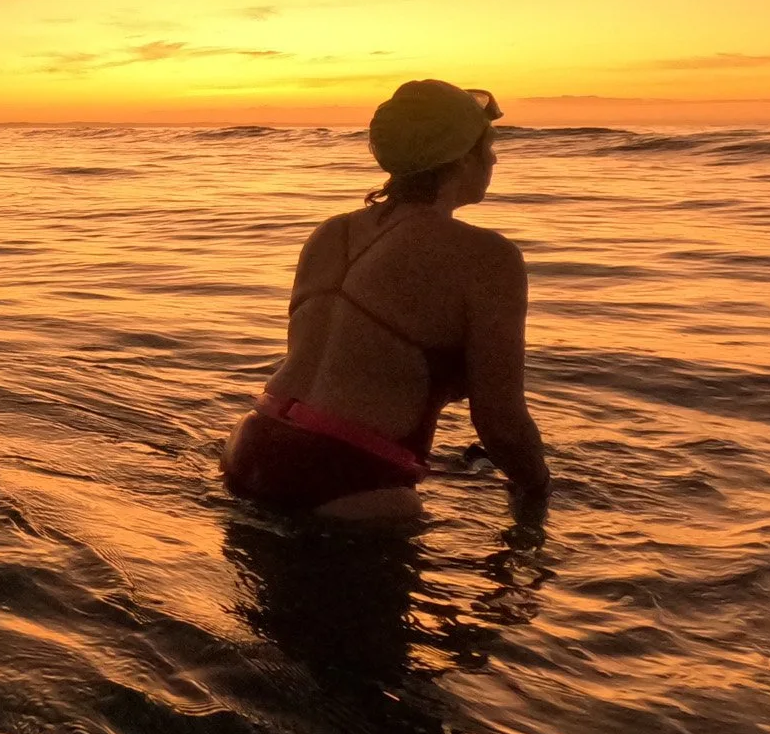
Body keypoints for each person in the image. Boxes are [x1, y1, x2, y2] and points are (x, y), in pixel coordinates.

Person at [221, 80, 550, 524]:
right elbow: (502, 425)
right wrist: (540, 494)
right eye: (487, 145)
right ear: (460, 158)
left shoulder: (330, 232)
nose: (494, 159)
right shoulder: (489, 257)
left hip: (251, 444)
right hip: (349, 476)